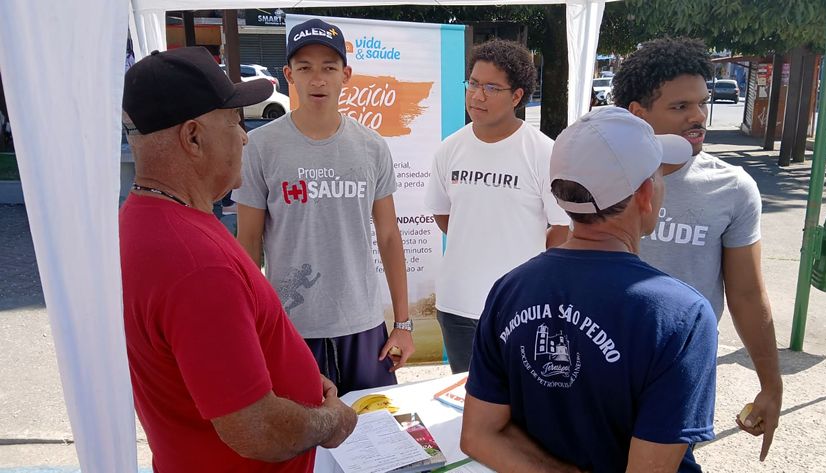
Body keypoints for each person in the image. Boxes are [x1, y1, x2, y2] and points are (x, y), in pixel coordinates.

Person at [120, 47, 357, 472]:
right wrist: (328, 421)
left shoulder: (151, 219)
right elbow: (256, 429)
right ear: (193, 137)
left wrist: (297, 383)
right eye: (233, 121)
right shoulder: (194, 261)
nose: (245, 135)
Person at [460, 107, 717, 472]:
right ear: (645, 194)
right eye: (658, 175)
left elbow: (479, 435)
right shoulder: (682, 316)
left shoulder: (510, 289)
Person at [613, 37, 782, 461]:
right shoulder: (601, 173)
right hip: (601, 357)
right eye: (680, 107)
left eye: (702, 103)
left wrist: (771, 383)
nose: (698, 117)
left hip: (682, 369)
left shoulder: (733, 188)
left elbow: (746, 293)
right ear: (637, 113)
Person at [234, 18, 413, 395]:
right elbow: (248, 242)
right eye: (305, 68)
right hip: (290, 328)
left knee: (372, 437)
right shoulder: (261, 147)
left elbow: (389, 235)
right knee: (301, 443)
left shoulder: (371, 146)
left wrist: (403, 323)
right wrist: (248, 327)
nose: (318, 79)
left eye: (329, 68)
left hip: (363, 327)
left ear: (345, 74)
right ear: (288, 75)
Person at [424, 39, 570, 374]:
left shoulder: (543, 152)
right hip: (457, 305)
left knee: (520, 408)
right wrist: (476, 239)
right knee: (463, 404)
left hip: (521, 307)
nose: (477, 96)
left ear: (517, 96)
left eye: (491, 87)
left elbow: (561, 228)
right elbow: (443, 214)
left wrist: (527, 266)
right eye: (473, 83)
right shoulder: (450, 149)